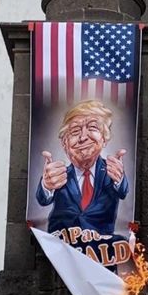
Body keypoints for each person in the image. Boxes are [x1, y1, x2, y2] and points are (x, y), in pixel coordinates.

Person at [35, 99, 129, 236]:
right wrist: (46, 185)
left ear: (104, 139)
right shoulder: (58, 176)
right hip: (60, 249)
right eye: (75, 131)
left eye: (92, 128)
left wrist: (120, 178)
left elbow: (123, 191)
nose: (83, 137)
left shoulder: (112, 172)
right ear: (64, 143)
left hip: (102, 250)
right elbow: (43, 199)